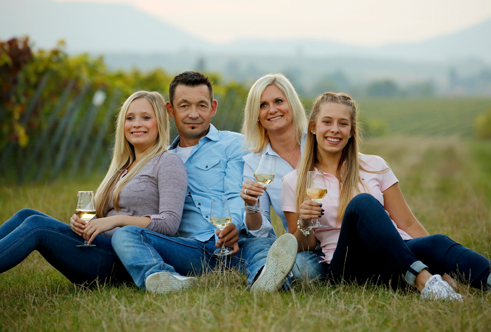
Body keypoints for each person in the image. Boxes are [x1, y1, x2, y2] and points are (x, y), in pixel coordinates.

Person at [281, 92, 491, 300]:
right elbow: (302, 245)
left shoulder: (375, 166)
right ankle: (424, 281)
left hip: (394, 255)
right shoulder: (296, 180)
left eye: (343, 123)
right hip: (348, 266)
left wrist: (440, 267)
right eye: (327, 122)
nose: (335, 129)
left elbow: (407, 223)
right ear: (313, 127)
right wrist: (305, 223)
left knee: (437, 243)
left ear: (351, 130)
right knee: (362, 203)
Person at [111, 71, 297, 294]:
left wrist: (233, 226)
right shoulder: (161, 160)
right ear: (170, 110)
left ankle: (266, 279)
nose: (193, 114)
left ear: (213, 108)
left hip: (240, 243)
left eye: (201, 105)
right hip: (193, 249)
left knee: (262, 247)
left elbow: (235, 192)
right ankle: (164, 279)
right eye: (184, 106)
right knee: (127, 234)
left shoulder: (234, 144)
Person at [0, 91, 188, 285]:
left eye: (146, 118)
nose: (136, 124)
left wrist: (116, 221)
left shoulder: (167, 162)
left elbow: (169, 224)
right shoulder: (123, 167)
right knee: (26, 214)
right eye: (129, 118)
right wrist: (81, 223)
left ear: (160, 122)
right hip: (97, 246)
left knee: (36, 226)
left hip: (121, 258)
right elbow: (102, 216)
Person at [239, 73, 323, 281]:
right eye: (263, 105)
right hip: (304, 245)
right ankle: (267, 277)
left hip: (339, 236)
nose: (272, 110)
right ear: (255, 114)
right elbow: (261, 232)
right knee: (299, 268)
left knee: (295, 269)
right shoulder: (254, 163)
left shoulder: (319, 142)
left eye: (278, 101)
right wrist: (251, 207)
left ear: (292, 104)